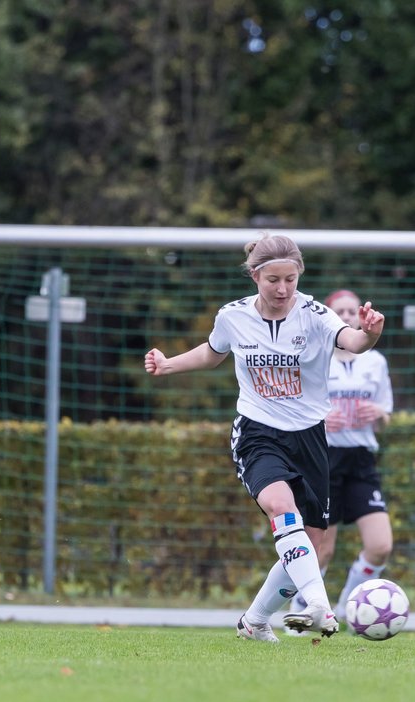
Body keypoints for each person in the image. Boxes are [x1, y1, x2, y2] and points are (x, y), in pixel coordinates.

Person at [144, 234, 386, 643]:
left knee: (309, 541)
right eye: (273, 279)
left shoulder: (316, 314)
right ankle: (319, 606)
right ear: (255, 275)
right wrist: (169, 365)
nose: (282, 289)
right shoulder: (233, 316)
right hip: (257, 432)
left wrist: (371, 332)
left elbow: (354, 342)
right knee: (280, 507)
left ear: (299, 276)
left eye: (290, 279)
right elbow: (213, 351)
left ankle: (254, 622)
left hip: (310, 437)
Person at [285, 288, 394, 625]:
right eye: (340, 311)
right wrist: (320, 417)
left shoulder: (374, 361)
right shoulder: (315, 356)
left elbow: (386, 415)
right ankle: (301, 613)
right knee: (322, 548)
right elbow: (292, 406)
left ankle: (349, 607)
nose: (347, 316)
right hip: (324, 458)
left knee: (380, 545)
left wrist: (377, 412)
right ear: (329, 317)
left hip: (362, 460)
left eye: (352, 311)